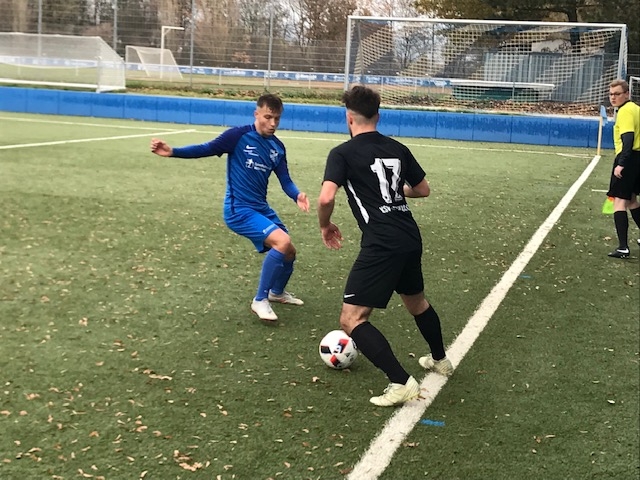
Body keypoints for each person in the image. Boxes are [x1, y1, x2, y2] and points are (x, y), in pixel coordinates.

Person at [317, 86, 452, 407]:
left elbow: (325, 197)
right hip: (409, 236)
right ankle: (440, 360)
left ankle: (400, 381)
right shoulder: (397, 148)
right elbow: (422, 189)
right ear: (377, 116)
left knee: (351, 319)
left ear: (349, 118)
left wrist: (325, 224)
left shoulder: (342, 153)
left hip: (381, 242)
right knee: (416, 302)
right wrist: (393, 193)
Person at [150, 93, 309, 322]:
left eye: (277, 118)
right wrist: (173, 151)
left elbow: (285, 179)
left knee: (289, 251)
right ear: (256, 114)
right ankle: (260, 300)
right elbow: (206, 148)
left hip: (261, 208)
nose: (273, 123)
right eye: (268, 117)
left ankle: (276, 293)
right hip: (239, 209)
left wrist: (296, 195)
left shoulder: (278, 147)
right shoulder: (237, 136)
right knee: (281, 242)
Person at [606, 79, 640, 258]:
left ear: (627, 94)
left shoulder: (625, 111)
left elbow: (628, 138)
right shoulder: (636, 109)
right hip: (638, 159)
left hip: (628, 158)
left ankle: (623, 247)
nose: (613, 97)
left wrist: (621, 163)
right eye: (611, 94)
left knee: (619, 202)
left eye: (617, 94)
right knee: (632, 200)